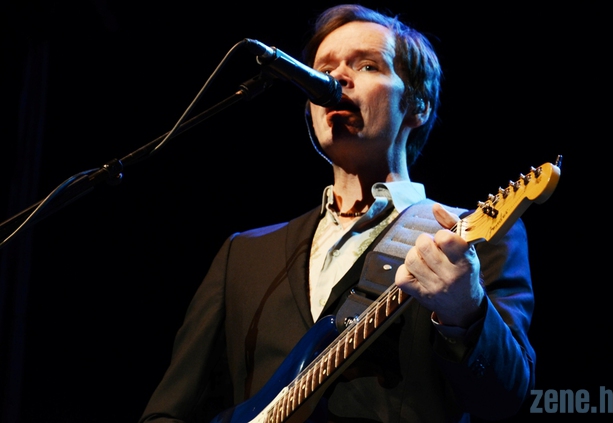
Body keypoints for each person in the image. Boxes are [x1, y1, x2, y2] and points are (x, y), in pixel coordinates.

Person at [139, 4, 535, 423]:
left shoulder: (464, 236)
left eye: (366, 65)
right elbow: (169, 411)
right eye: (324, 69)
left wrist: (466, 312)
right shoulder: (244, 254)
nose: (336, 79)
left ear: (418, 104)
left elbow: (505, 399)